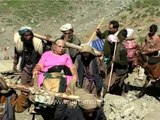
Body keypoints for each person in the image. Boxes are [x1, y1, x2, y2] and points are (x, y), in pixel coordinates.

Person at [103, 29, 129, 96]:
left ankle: (103, 96)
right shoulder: (113, 48)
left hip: (120, 71)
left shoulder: (122, 50)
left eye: (109, 43)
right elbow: (110, 58)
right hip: (114, 68)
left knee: (106, 84)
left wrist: (116, 61)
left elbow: (125, 63)